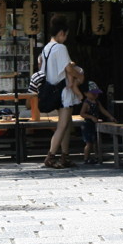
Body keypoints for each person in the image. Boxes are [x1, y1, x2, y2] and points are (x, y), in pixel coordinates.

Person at [41, 16, 85, 169]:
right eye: (65, 35)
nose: (66, 38)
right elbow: (68, 69)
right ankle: (51, 156)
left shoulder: (46, 48)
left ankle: (65, 155)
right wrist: (80, 76)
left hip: (53, 88)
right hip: (63, 91)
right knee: (63, 125)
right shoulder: (60, 48)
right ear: (61, 33)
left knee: (66, 124)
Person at [79, 81, 115, 164]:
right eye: (93, 93)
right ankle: (86, 158)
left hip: (95, 125)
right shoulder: (86, 103)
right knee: (89, 143)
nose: (95, 95)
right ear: (86, 93)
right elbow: (82, 113)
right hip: (87, 125)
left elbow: (103, 110)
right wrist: (91, 117)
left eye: (96, 93)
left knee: (96, 142)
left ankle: (97, 157)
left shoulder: (97, 102)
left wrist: (110, 117)